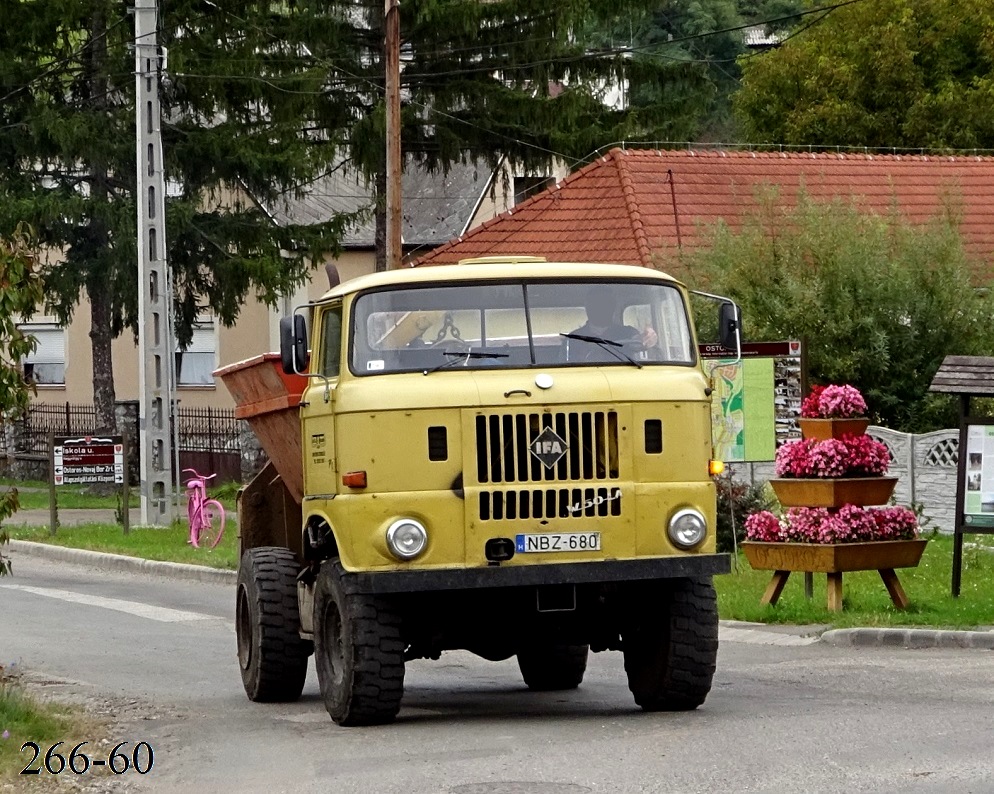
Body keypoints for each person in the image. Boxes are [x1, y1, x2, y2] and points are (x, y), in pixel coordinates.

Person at [564, 290, 658, 362]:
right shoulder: (574, 338)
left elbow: (639, 343)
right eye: (596, 304)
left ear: (613, 307)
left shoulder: (628, 333)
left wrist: (649, 338)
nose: (601, 308)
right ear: (587, 307)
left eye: (606, 304)